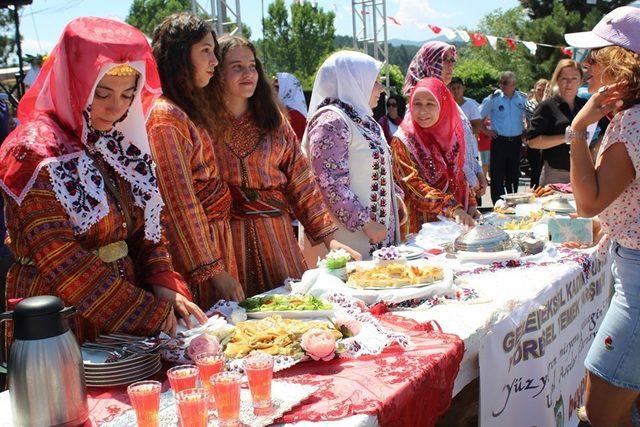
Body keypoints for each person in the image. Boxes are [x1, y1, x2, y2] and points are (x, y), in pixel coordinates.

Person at [0, 17, 206, 345]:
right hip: (58, 317)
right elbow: (60, 258)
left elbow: (143, 229)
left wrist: (162, 282)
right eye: (103, 93)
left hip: (123, 311)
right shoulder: (33, 150)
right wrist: (146, 312)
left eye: (128, 95)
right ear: (74, 84)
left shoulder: (111, 141)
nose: (116, 108)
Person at [209, 35, 360, 296]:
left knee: (286, 314)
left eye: (252, 66)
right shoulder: (202, 125)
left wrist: (329, 238)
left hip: (275, 238)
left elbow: (301, 181)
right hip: (224, 243)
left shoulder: (274, 122)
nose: (248, 74)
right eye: (236, 67)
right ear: (217, 72)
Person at [565, 6, 640, 426]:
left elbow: (587, 202)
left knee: (599, 411)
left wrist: (577, 128)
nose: (585, 66)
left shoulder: (630, 123)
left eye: (594, 56)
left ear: (620, 62)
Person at [147, 13, 244, 308]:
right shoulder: (166, 116)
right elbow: (180, 203)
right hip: (193, 259)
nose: (214, 61)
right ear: (180, 56)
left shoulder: (184, 111)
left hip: (212, 241)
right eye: (205, 50)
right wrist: (214, 270)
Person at [302, 50, 402, 259]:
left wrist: (396, 197)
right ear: (354, 82)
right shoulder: (331, 122)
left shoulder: (362, 119)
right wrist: (366, 223)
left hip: (372, 237)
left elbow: (378, 166)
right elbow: (329, 184)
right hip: (347, 242)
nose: (381, 89)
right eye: (375, 82)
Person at [405, 41, 486, 210]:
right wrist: (471, 179)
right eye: (444, 60)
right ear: (429, 62)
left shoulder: (448, 101)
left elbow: (465, 143)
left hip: (459, 198)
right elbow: (443, 157)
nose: (450, 65)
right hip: (436, 208)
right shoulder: (421, 112)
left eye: (452, 60)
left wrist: (477, 170)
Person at [391, 77, 476, 237]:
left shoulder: (452, 134)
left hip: (455, 222)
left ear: (442, 105)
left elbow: (457, 175)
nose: (423, 111)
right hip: (421, 228)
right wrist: (452, 207)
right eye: (417, 104)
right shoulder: (403, 140)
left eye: (430, 104)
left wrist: (470, 203)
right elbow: (413, 186)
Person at [525, 60, 585, 186]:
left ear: (581, 81)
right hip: (556, 173)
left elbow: (603, 132)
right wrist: (566, 137)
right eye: (564, 78)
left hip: (584, 172)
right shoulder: (547, 106)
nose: (569, 83)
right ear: (557, 80)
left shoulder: (585, 106)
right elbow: (532, 142)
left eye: (574, 78)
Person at [480, 71, 528, 203]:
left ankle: (513, 202)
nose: (507, 86)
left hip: (516, 141)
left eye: (511, 83)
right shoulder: (493, 99)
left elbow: (530, 116)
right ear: (500, 84)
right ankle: (498, 204)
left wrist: (526, 130)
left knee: (513, 174)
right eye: (505, 83)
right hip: (499, 141)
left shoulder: (522, 98)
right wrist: (487, 131)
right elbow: (479, 119)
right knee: (497, 175)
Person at [449, 76, 488, 203]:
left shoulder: (469, 105)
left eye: (458, 88)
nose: (455, 91)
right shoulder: (446, 110)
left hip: (472, 158)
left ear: (464, 88)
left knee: (476, 202)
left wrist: (478, 172)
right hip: (457, 172)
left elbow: (477, 127)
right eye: (452, 88)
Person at [524, 78, 548, 188]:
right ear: (534, 90)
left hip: (548, 143)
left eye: (544, 90)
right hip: (534, 142)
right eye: (539, 89)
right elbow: (537, 118)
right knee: (535, 172)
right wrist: (545, 101)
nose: (541, 92)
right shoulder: (529, 104)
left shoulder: (551, 103)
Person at [273, 72, 307, 141]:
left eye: (276, 87)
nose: (272, 90)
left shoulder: (295, 116)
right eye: (271, 86)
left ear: (288, 89)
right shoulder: (279, 112)